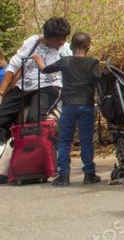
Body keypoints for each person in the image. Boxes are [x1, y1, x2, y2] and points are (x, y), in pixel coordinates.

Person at [43, 32, 103, 186]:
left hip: (69, 105)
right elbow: (99, 81)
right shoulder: (93, 63)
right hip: (86, 105)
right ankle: (89, 173)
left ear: (70, 46)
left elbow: (46, 70)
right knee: (86, 140)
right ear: (88, 47)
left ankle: (63, 175)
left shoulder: (65, 61)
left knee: (64, 140)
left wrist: (38, 61)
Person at [0, 17, 71, 144]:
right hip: (24, 86)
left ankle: (36, 152)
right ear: (47, 37)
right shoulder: (32, 42)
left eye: (64, 38)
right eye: (58, 39)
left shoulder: (66, 49)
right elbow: (14, 65)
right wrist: (1, 92)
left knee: (34, 118)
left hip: (50, 86)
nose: (62, 41)